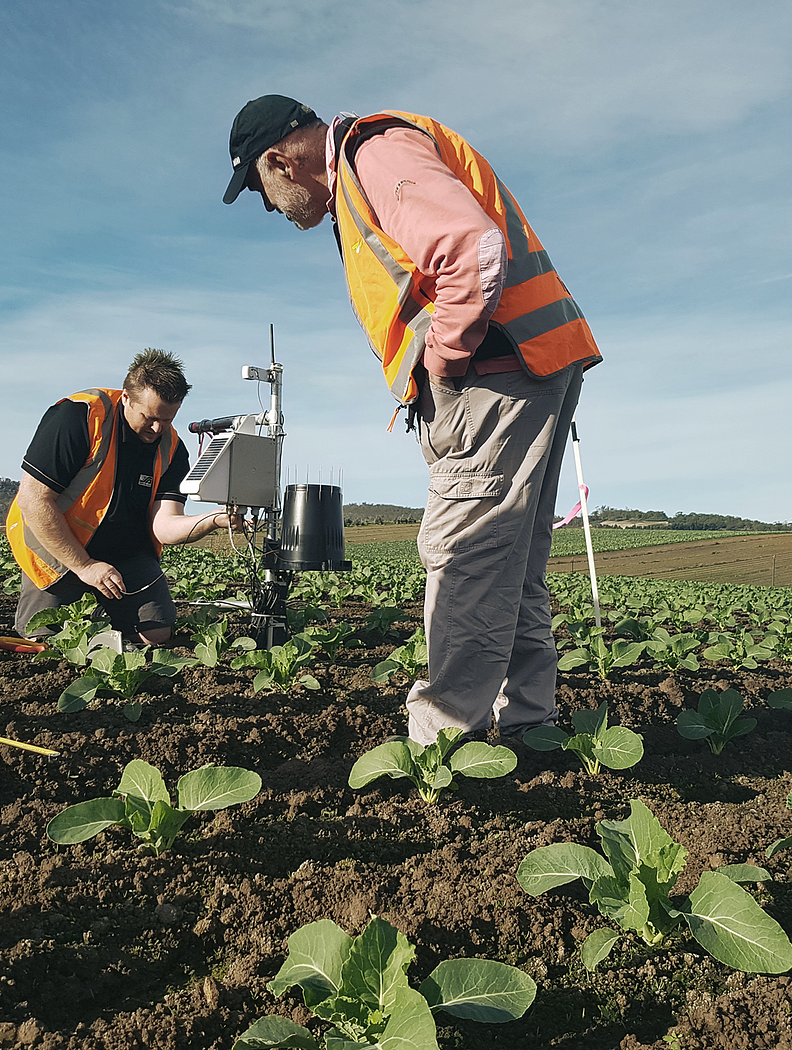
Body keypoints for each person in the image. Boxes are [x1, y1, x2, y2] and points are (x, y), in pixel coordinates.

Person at [222, 96, 602, 745]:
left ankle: (442, 748)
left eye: (260, 192)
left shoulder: (372, 154)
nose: (270, 209)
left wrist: (447, 361)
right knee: (509, 564)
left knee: (464, 556)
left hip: (494, 372)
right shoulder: (369, 166)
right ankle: (529, 729)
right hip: (530, 365)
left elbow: (470, 249)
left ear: (279, 161)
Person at [5, 349, 240, 644]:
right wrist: (85, 566)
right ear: (126, 398)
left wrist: (215, 519)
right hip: (60, 545)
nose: (157, 429)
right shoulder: (79, 416)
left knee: (155, 635)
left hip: (124, 553)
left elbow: (164, 526)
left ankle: (107, 618)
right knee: (47, 640)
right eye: (150, 417)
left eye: (167, 419)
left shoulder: (172, 449)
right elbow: (34, 500)